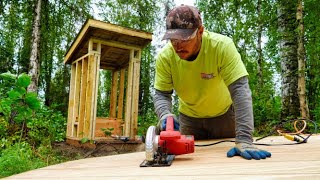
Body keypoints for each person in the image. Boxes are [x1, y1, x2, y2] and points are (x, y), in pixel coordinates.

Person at [153, 4, 271, 160]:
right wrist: (165, 115)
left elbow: (240, 90)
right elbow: (162, 94)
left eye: (184, 38)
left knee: (228, 163)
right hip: (189, 120)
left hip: (224, 117)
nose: (177, 45)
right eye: (173, 39)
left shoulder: (221, 46)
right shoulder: (165, 57)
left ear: (200, 31)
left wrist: (244, 139)